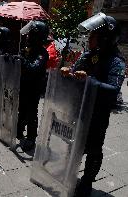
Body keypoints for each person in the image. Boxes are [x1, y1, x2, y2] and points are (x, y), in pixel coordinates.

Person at [61, 13, 126, 197]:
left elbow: (113, 89)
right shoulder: (89, 55)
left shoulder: (116, 62)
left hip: (98, 114)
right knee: (74, 143)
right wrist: (68, 73)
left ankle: (87, 181)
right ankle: (68, 171)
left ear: (105, 38)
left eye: (93, 36)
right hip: (79, 109)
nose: (89, 40)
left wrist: (91, 81)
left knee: (94, 149)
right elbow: (75, 71)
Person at [17, 21, 49, 151]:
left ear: (38, 37)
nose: (28, 37)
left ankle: (31, 138)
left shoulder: (42, 53)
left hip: (33, 88)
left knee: (31, 113)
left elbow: (33, 68)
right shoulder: (28, 50)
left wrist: (22, 60)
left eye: (31, 35)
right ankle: (19, 130)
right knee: (21, 110)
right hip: (24, 85)